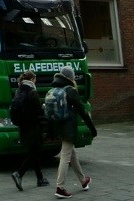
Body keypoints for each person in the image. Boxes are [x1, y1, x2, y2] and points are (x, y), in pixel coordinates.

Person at [49, 65, 97, 199]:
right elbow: (82, 110)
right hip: (68, 128)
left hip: (59, 127)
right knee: (65, 156)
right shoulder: (70, 90)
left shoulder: (54, 89)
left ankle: (83, 180)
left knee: (72, 153)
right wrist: (92, 128)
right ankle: (60, 187)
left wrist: (50, 132)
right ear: (70, 77)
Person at [11, 70, 49, 191]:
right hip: (34, 127)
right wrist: (45, 123)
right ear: (32, 79)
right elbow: (38, 113)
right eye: (35, 79)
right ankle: (19, 174)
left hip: (23, 127)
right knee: (34, 152)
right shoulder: (32, 92)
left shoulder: (18, 91)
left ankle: (40, 179)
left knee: (34, 151)